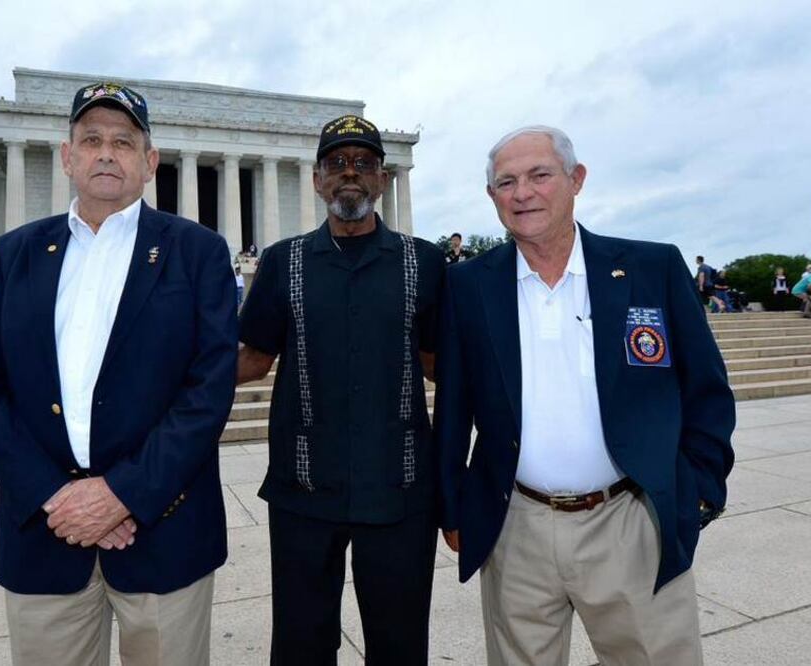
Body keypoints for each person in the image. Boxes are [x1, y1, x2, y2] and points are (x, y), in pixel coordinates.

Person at [0, 81, 238, 666]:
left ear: (150, 161)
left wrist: (121, 495)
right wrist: (57, 497)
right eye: (90, 140)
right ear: (67, 156)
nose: (106, 153)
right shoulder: (15, 255)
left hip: (164, 532)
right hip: (45, 532)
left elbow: (208, 391)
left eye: (123, 141)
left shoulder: (198, 252)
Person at [436, 126, 735, 665]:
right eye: (506, 182)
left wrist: (698, 490)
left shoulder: (652, 268)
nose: (522, 192)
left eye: (539, 175)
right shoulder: (468, 286)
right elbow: (454, 406)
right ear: (492, 198)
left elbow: (707, 390)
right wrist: (454, 505)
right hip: (517, 528)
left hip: (630, 519)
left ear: (576, 180)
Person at [237, 114, 445, 665]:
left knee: (399, 644)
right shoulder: (284, 262)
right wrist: (166, 367)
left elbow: (437, 365)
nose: (349, 174)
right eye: (336, 164)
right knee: (302, 644)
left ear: (382, 180)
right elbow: (253, 360)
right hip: (304, 490)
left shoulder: (424, 262)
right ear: (317, 180)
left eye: (363, 165)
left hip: (398, 491)